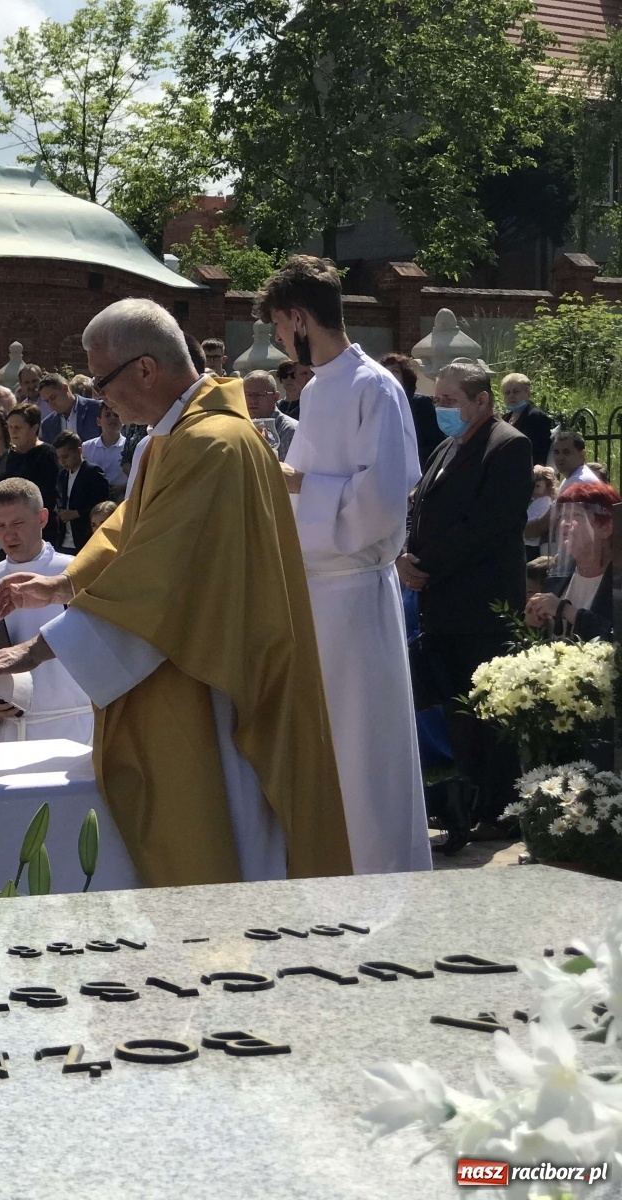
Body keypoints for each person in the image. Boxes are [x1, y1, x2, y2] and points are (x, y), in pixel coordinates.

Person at [0, 298, 350, 888]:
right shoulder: (177, 437)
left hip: (216, 674)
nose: (100, 399)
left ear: (145, 368)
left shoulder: (210, 444)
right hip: (197, 658)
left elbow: (157, 573)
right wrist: (64, 582)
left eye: (102, 381)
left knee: (232, 838)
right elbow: (130, 528)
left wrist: (40, 649)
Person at [258, 255, 429, 876]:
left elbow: (382, 504)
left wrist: (297, 483)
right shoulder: (317, 388)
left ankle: (380, 875)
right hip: (313, 596)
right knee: (325, 749)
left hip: (354, 596)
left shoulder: (372, 387)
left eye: (280, 327)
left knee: (364, 749)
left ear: (299, 318)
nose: (279, 340)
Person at [400, 359, 532, 840]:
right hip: (443, 608)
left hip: (482, 609)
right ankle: (469, 804)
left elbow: (486, 526)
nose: (441, 408)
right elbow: (418, 508)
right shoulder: (446, 447)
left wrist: (425, 565)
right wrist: (403, 554)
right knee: (460, 715)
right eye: (437, 399)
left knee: (489, 714)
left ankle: (500, 810)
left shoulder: (508, 445)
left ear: (482, 401)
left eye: (450, 401)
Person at [0, 478, 94, 745]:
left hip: (73, 729)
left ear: (42, 518)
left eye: (18, 523)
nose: (8, 535)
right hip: (7, 734)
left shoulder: (75, 574)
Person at [525, 481, 616, 641]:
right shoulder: (556, 576)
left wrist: (565, 610)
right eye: (563, 516)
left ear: (606, 527)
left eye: (576, 515)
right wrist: (534, 620)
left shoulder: (618, 582)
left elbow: (615, 639)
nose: (565, 524)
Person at [0, 404, 62, 544]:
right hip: (5, 530)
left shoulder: (46, 454)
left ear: (34, 428)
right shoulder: (6, 456)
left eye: (18, 427)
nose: (13, 431)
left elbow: (47, 495)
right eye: (10, 427)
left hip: (36, 531)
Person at [379, 353, 442, 473]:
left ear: (405, 377)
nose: (389, 374)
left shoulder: (420, 403)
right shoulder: (376, 404)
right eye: (385, 370)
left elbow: (435, 443)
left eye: (395, 371)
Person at [53, 431, 110, 553]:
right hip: (64, 540)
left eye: (65, 457)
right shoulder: (63, 475)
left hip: (85, 539)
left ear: (79, 451)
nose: (62, 462)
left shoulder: (93, 473)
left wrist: (77, 513)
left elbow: (102, 506)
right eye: (59, 458)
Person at [240, 370, 297, 461]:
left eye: (260, 395)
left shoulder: (289, 431)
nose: (252, 400)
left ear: (275, 397)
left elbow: (287, 468)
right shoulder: (239, 426)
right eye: (248, 395)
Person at [499, 373, 553, 467]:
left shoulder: (536, 417)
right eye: (507, 392)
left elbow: (542, 450)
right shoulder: (505, 418)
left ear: (528, 394)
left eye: (516, 392)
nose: (511, 396)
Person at [38, 372, 102, 446]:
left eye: (53, 397)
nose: (51, 404)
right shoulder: (48, 425)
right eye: (47, 401)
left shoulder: (97, 409)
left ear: (65, 388)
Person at [82, 401, 128, 500]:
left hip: (121, 502)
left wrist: (122, 488)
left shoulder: (129, 447)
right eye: (107, 415)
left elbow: (138, 477)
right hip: (93, 502)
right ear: (99, 421)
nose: (112, 418)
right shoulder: (86, 447)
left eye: (116, 415)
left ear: (123, 420)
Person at [524, 464, 559, 560]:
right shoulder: (536, 502)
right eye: (533, 479)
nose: (536, 482)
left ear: (548, 484)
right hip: (529, 543)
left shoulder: (544, 502)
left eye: (539, 479)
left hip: (532, 545)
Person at [553, 431, 600, 495]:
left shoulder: (578, 481)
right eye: (556, 452)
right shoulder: (571, 478)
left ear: (582, 454)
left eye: (566, 452)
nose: (559, 457)